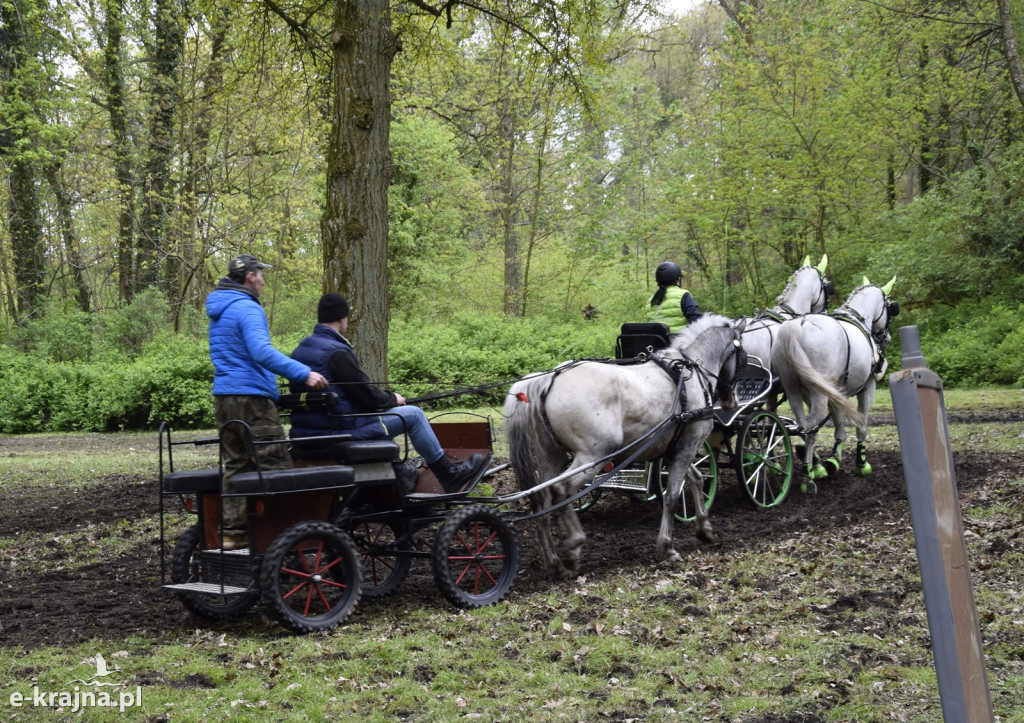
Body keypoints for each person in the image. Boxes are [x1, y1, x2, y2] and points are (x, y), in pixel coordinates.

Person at [289, 292, 488, 494]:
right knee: (414, 415)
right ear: (342, 318)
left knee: (385, 417)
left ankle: (400, 475)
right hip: (343, 429)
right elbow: (366, 396)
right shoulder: (336, 352)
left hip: (309, 433)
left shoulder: (300, 351)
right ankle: (449, 475)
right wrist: (393, 398)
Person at [206, 254, 328, 549]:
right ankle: (286, 539)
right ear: (250, 276)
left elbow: (239, 358)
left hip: (224, 399)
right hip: (251, 402)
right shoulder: (247, 308)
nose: (262, 280)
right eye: (261, 274)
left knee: (237, 466)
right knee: (276, 466)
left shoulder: (220, 309)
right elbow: (261, 352)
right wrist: (304, 374)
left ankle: (233, 535)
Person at [647, 261, 702, 333]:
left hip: (656, 343)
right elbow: (696, 321)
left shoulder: (651, 300)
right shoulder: (683, 295)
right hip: (678, 342)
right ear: (677, 281)